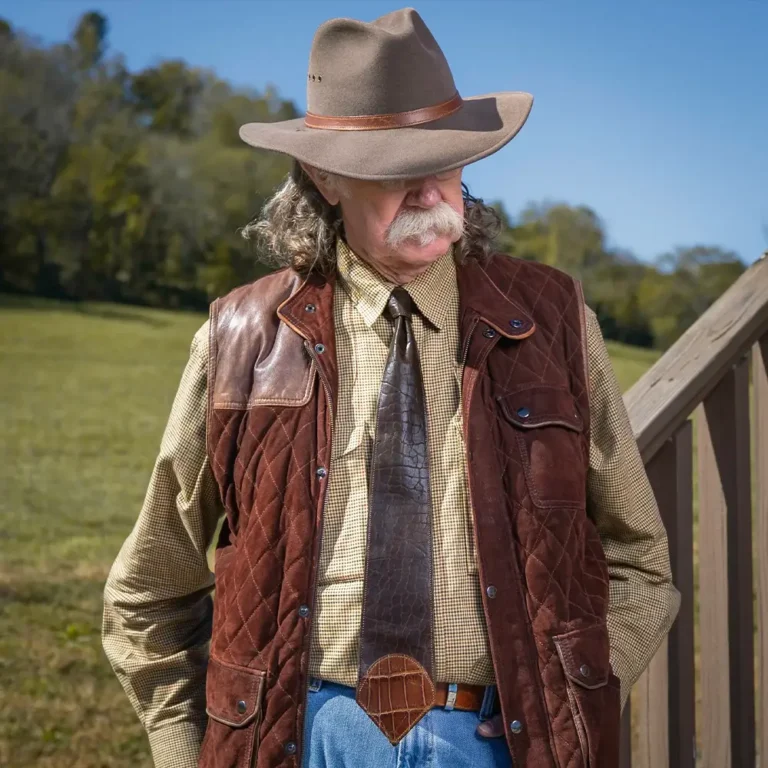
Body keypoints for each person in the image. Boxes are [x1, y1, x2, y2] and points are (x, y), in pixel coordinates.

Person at [103, 8, 680, 768]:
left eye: (442, 160)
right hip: (300, 738)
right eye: (390, 167)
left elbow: (641, 563)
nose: (426, 190)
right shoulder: (239, 338)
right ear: (323, 176)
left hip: (496, 742)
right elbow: (149, 590)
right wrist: (188, 752)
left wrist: (569, 696)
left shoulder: (557, 322)